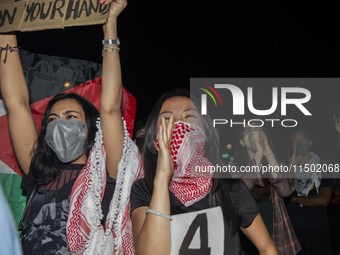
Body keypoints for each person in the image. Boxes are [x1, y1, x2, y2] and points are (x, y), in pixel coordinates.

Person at [0, 1, 132, 254]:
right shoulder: (39, 171)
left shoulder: (106, 173)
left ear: (90, 128)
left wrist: (110, 25)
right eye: (52, 119)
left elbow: (110, 108)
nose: (60, 124)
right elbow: (16, 103)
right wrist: (7, 18)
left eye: (71, 116)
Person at [129, 90, 278, 255]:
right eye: (167, 119)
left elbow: (268, 248)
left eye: (189, 117)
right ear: (153, 138)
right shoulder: (143, 190)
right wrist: (162, 179)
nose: (179, 124)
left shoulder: (231, 189)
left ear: (206, 132)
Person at [233, 122, 301, 255]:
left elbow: (286, 191)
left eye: (258, 129)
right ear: (242, 142)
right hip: (249, 242)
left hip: (278, 238)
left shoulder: (275, 164)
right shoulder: (233, 167)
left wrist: (267, 151)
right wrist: (258, 154)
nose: (254, 134)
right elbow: (239, 193)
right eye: (249, 131)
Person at [285, 130, 333, 255]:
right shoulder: (285, 168)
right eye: (295, 140)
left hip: (316, 229)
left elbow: (324, 200)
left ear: (310, 143)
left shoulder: (322, 168)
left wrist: (294, 199)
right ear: (292, 146)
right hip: (292, 229)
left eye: (303, 139)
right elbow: (286, 191)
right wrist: (292, 165)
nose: (299, 142)